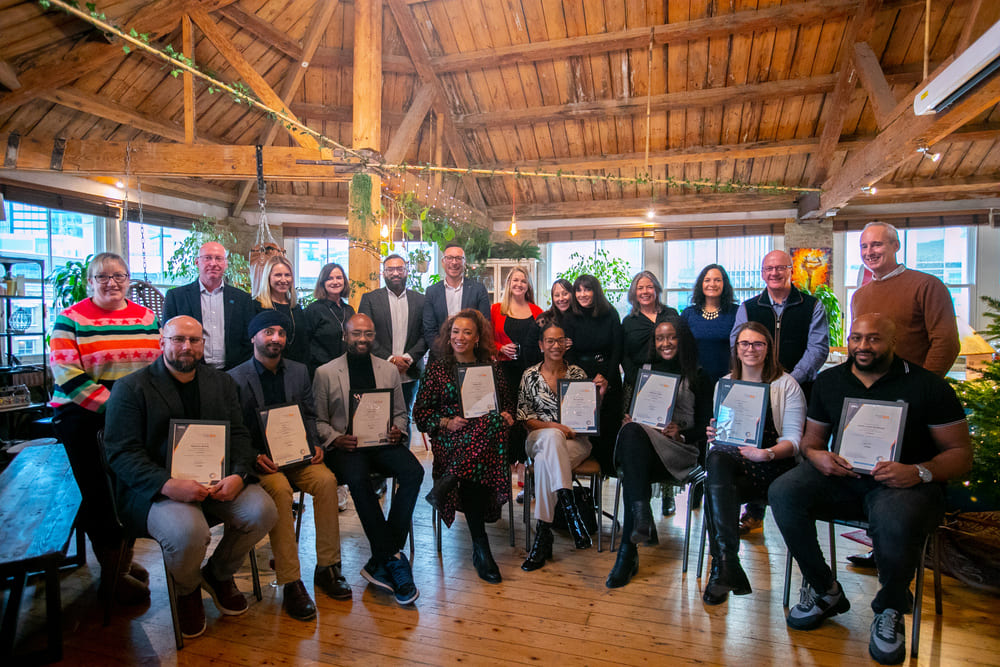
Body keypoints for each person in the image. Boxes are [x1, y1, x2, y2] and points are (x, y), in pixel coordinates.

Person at [769, 314, 971, 665]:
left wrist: (919, 471)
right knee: (783, 492)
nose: (863, 346)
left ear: (894, 342)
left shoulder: (928, 386)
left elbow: (960, 455)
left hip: (906, 485)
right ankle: (824, 589)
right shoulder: (830, 381)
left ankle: (890, 608)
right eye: (856, 338)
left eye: (874, 339)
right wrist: (819, 457)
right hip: (844, 477)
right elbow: (812, 442)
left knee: (895, 517)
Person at [103, 316, 278, 640]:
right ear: (162, 342)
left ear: (203, 344)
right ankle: (187, 590)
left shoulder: (222, 383)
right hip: (158, 490)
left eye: (195, 340)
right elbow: (121, 453)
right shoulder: (131, 388)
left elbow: (239, 435)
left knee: (263, 511)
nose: (187, 347)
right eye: (179, 339)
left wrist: (240, 474)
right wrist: (167, 484)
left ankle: (218, 573)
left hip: (218, 482)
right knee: (189, 533)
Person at [49, 252, 162, 604]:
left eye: (119, 276)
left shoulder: (146, 318)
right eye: (102, 277)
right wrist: (117, 409)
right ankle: (112, 578)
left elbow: (156, 369)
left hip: (133, 420)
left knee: (129, 491)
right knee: (101, 498)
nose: (111, 282)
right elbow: (67, 375)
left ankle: (121, 566)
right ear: (90, 282)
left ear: (128, 279)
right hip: (85, 420)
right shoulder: (70, 320)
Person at [228, 311, 351, 622]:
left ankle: (328, 567)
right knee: (281, 491)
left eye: (280, 333)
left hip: (297, 456)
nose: (275, 338)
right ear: (253, 337)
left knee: (325, 481)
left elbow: (309, 414)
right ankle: (290, 580)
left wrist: (316, 445)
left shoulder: (298, 371)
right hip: (262, 463)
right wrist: (254, 456)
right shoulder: (234, 378)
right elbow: (233, 429)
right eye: (268, 332)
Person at [313, 314, 424, 606]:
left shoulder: (388, 371)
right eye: (356, 334)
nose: (362, 339)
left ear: (374, 336)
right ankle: (392, 559)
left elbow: (401, 411)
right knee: (358, 478)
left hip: (382, 443)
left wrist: (397, 430)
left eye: (368, 334)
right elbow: (319, 421)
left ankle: (383, 556)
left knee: (413, 471)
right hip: (346, 447)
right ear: (345, 336)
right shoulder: (325, 372)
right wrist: (336, 438)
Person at [702, 322, 806, 605]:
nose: (751, 349)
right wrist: (715, 435)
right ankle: (726, 564)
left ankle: (720, 569)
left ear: (768, 348)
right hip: (734, 467)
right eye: (744, 344)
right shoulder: (724, 384)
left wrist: (767, 453)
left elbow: (795, 442)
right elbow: (722, 440)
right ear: (736, 349)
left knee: (716, 480)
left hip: (775, 466)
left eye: (758, 344)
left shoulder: (786, 386)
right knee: (717, 462)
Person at [606, 317, 713, 589]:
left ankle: (628, 553)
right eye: (659, 338)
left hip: (680, 451)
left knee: (632, 472)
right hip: (646, 453)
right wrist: (631, 418)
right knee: (631, 432)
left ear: (682, 339)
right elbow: (636, 416)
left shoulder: (698, 374)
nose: (665, 343)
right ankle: (639, 523)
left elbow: (708, 425)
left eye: (671, 337)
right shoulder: (646, 372)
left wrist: (683, 432)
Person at [413, 309, 514, 584]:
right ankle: (481, 548)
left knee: (492, 424)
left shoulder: (491, 369)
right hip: (452, 440)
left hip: (482, 440)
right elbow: (420, 415)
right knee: (479, 460)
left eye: (467, 332)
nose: (460, 337)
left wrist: (506, 415)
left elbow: (506, 408)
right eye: (455, 331)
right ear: (449, 336)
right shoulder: (437, 369)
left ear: (478, 338)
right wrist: (445, 422)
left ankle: (451, 480)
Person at [731, 249, 828, 535]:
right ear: (762, 273)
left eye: (780, 268)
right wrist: (760, 378)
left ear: (790, 271)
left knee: (796, 445)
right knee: (754, 442)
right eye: (768, 268)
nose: (774, 273)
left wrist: (788, 380)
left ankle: (796, 506)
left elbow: (818, 347)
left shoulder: (812, 305)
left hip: (799, 388)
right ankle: (754, 510)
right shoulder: (748, 306)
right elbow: (737, 341)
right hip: (755, 390)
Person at [517, 323, 608, 570]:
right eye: (550, 341)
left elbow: (588, 416)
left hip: (577, 443)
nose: (555, 346)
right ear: (541, 345)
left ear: (566, 344)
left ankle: (543, 534)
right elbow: (526, 419)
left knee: (547, 463)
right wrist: (556, 428)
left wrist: (599, 396)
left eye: (560, 341)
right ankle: (569, 509)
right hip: (538, 439)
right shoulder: (530, 375)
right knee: (552, 439)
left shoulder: (578, 374)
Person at [851, 221, 959, 377]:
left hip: (912, 389)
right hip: (870, 390)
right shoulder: (859, 296)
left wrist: (924, 386)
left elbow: (946, 343)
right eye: (864, 246)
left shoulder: (927, 285)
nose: (869, 252)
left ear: (896, 246)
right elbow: (858, 345)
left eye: (876, 245)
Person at [561, 274, 623, 473]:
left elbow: (617, 349)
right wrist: (583, 382)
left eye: (587, 289)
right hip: (580, 381)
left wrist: (607, 378)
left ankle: (602, 483)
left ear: (595, 291)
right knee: (582, 433)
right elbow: (568, 352)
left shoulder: (610, 313)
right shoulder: (570, 316)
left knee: (606, 435)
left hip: (608, 376)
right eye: (578, 290)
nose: (582, 294)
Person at [163, 241, 254, 370]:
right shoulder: (176, 297)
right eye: (207, 258)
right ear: (197, 262)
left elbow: (248, 340)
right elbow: (169, 338)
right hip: (191, 371)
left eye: (218, 258)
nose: (213, 263)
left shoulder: (242, 299)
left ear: (226, 264)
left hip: (233, 372)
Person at [358, 254, 427, 410]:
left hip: (410, 372)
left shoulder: (421, 300)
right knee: (377, 417)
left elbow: (426, 334)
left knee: (406, 416)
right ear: (383, 273)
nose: (395, 273)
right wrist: (390, 360)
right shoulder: (370, 299)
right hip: (379, 371)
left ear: (406, 271)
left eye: (399, 269)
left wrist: (408, 359)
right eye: (390, 269)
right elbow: (365, 336)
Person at [491, 267, 543, 465]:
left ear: (528, 285)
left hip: (529, 372)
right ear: (509, 284)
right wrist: (501, 348)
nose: (519, 284)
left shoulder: (537, 312)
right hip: (504, 372)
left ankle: (524, 468)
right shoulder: (496, 309)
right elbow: (488, 340)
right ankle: (506, 465)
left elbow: (541, 343)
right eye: (515, 280)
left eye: (523, 281)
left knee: (527, 417)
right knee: (507, 417)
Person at [422, 243, 490, 353]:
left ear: (464, 262)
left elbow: (485, 325)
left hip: (472, 356)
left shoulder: (478, 290)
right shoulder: (432, 292)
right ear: (443, 262)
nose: (454, 262)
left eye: (458, 258)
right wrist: (444, 352)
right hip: (441, 356)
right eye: (449, 258)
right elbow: (429, 329)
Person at [681, 264, 739, 383]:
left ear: (724, 284)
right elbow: (682, 349)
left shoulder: (736, 312)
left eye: (717, 280)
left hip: (728, 379)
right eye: (707, 280)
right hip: (695, 380)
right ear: (701, 284)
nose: (712, 284)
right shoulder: (688, 314)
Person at [622, 271, 679, 392]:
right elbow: (624, 355)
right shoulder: (628, 321)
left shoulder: (671, 314)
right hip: (638, 380)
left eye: (649, 287)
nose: (645, 292)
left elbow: (681, 346)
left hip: (669, 376)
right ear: (634, 293)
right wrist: (635, 380)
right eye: (640, 288)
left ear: (656, 290)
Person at [253, 255, 309, 365]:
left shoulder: (296, 309)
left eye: (287, 275)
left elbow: (304, 344)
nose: (283, 280)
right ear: (268, 278)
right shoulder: (256, 307)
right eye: (278, 275)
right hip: (266, 368)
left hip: (295, 370)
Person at [304, 262, 355, 376]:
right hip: (321, 370)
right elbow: (304, 345)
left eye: (339, 278)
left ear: (344, 281)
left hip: (346, 370)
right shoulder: (313, 310)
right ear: (322, 283)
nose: (335, 282)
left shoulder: (349, 310)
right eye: (330, 278)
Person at [535, 278, 575, 349]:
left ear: (572, 295)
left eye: (565, 294)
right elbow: (530, 346)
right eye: (557, 295)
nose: (561, 298)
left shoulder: (580, 317)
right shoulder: (544, 319)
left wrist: (575, 344)